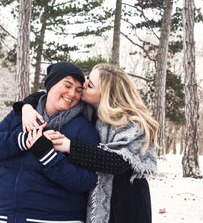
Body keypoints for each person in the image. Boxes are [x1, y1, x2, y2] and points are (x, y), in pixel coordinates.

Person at [15, 63, 158, 223]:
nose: (83, 85)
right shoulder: (87, 110)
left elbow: (119, 162)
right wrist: (26, 107)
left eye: (89, 84)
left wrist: (69, 146)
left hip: (126, 203)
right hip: (93, 200)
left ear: (104, 94)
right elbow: (46, 94)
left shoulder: (131, 122)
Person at [0, 62, 99, 223]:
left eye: (79, 90)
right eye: (67, 85)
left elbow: (87, 180)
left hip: (56, 219)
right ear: (51, 85)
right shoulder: (20, 116)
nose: (72, 93)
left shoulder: (83, 128)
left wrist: (47, 155)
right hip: (7, 215)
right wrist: (24, 140)